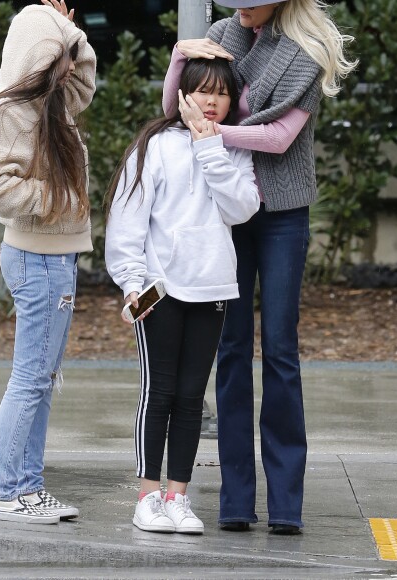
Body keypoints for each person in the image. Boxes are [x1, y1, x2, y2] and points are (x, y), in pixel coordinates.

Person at [162, 0, 357, 534]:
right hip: (227, 206)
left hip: (282, 213)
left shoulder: (307, 52)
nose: (241, 9)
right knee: (228, 349)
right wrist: (180, 57)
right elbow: (178, 109)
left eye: (252, 2)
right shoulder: (224, 34)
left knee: (279, 350)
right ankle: (235, 501)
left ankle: (287, 505)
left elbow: (277, 138)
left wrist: (211, 134)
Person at [105, 57, 260, 534]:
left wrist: (210, 148)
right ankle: (147, 496)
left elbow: (242, 208)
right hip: (160, 291)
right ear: (182, 96)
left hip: (212, 288)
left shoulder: (234, 148)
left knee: (192, 398)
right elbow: (127, 220)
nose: (212, 102)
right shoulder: (154, 145)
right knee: (160, 392)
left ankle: (178, 496)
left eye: (222, 94)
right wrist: (132, 283)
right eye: (202, 92)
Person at [0, 2, 96, 524]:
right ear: (35, 57)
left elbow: (86, 80)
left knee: (41, 378)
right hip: (38, 258)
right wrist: (61, 200)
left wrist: (71, 31)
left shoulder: (51, 101)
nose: (69, 65)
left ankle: (26, 487)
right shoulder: (11, 110)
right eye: (58, 55)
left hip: (54, 258)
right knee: (30, 379)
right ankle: (2, 490)